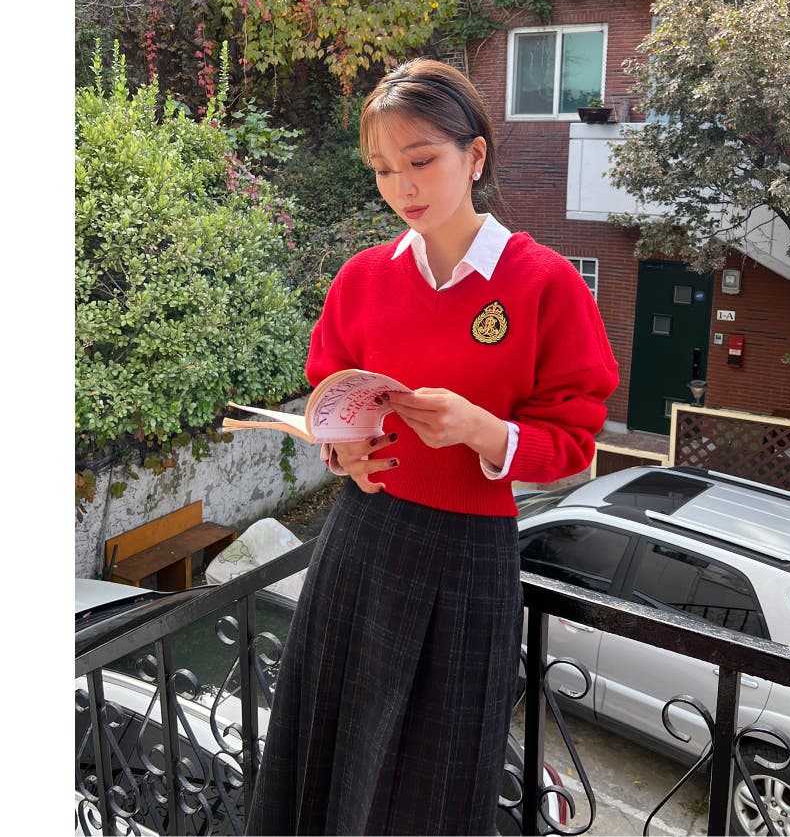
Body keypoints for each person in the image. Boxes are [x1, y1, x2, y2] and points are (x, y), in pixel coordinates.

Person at [244, 58, 619, 836]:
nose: (401, 187)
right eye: (384, 169)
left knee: (432, 781)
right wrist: (342, 452)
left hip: (469, 556)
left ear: (474, 156)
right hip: (360, 539)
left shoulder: (544, 283)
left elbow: (574, 439)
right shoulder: (363, 279)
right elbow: (330, 395)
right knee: (325, 742)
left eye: (420, 161)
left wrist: (483, 430)